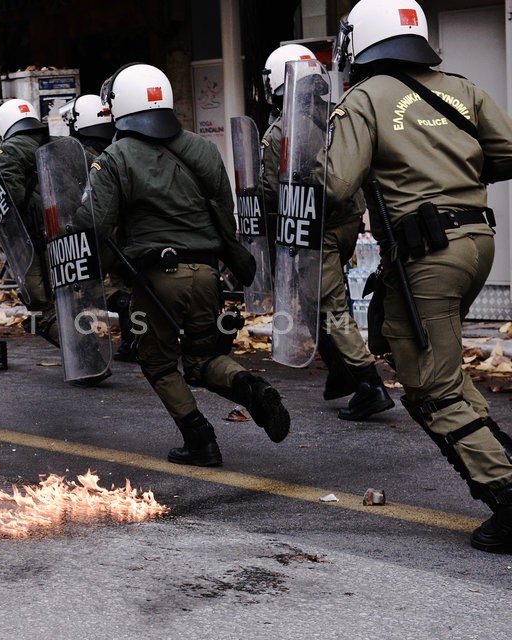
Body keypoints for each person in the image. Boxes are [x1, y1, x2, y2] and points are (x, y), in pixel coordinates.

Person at [328, 0, 512, 553]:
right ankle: (499, 455)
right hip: (477, 243)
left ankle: (505, 494)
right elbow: (505, 154)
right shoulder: (464, 88)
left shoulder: (363, 99)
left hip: (427, 254)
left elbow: (336, 185)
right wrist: (448, 173)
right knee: (443, 367)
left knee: (431, 386)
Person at [86, 62, 291, 467]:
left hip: (158, 280)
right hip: (207, 275)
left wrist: (101, 275)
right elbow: (224, 214)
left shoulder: (113, 158)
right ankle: (252, 388)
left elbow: (96, 226)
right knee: (201, 360)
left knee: (159, 363)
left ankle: (200, 440)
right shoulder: (204, 148)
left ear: (120, 105)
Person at [261, 43, 394, 421]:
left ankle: (370, 385)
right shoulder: (337, 117)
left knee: (330, 307)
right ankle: (341, 372)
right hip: (348, 221)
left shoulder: (280, 131)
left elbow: (274, 193)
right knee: (323, 302)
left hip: (314, 232)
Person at [63, 93, 137, 363]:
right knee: (123, 283)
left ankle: (87, 352)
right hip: (125, 230)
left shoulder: (81, 155)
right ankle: (133, 341)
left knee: (84, 288)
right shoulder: (121, 148)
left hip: (97, 229)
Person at [0, 98, 60, 347]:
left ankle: (85, 355)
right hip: (66, 234)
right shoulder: (58, 143)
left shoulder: (7, 152)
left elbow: (10, 198)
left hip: (31, 238)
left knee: (41, 304)